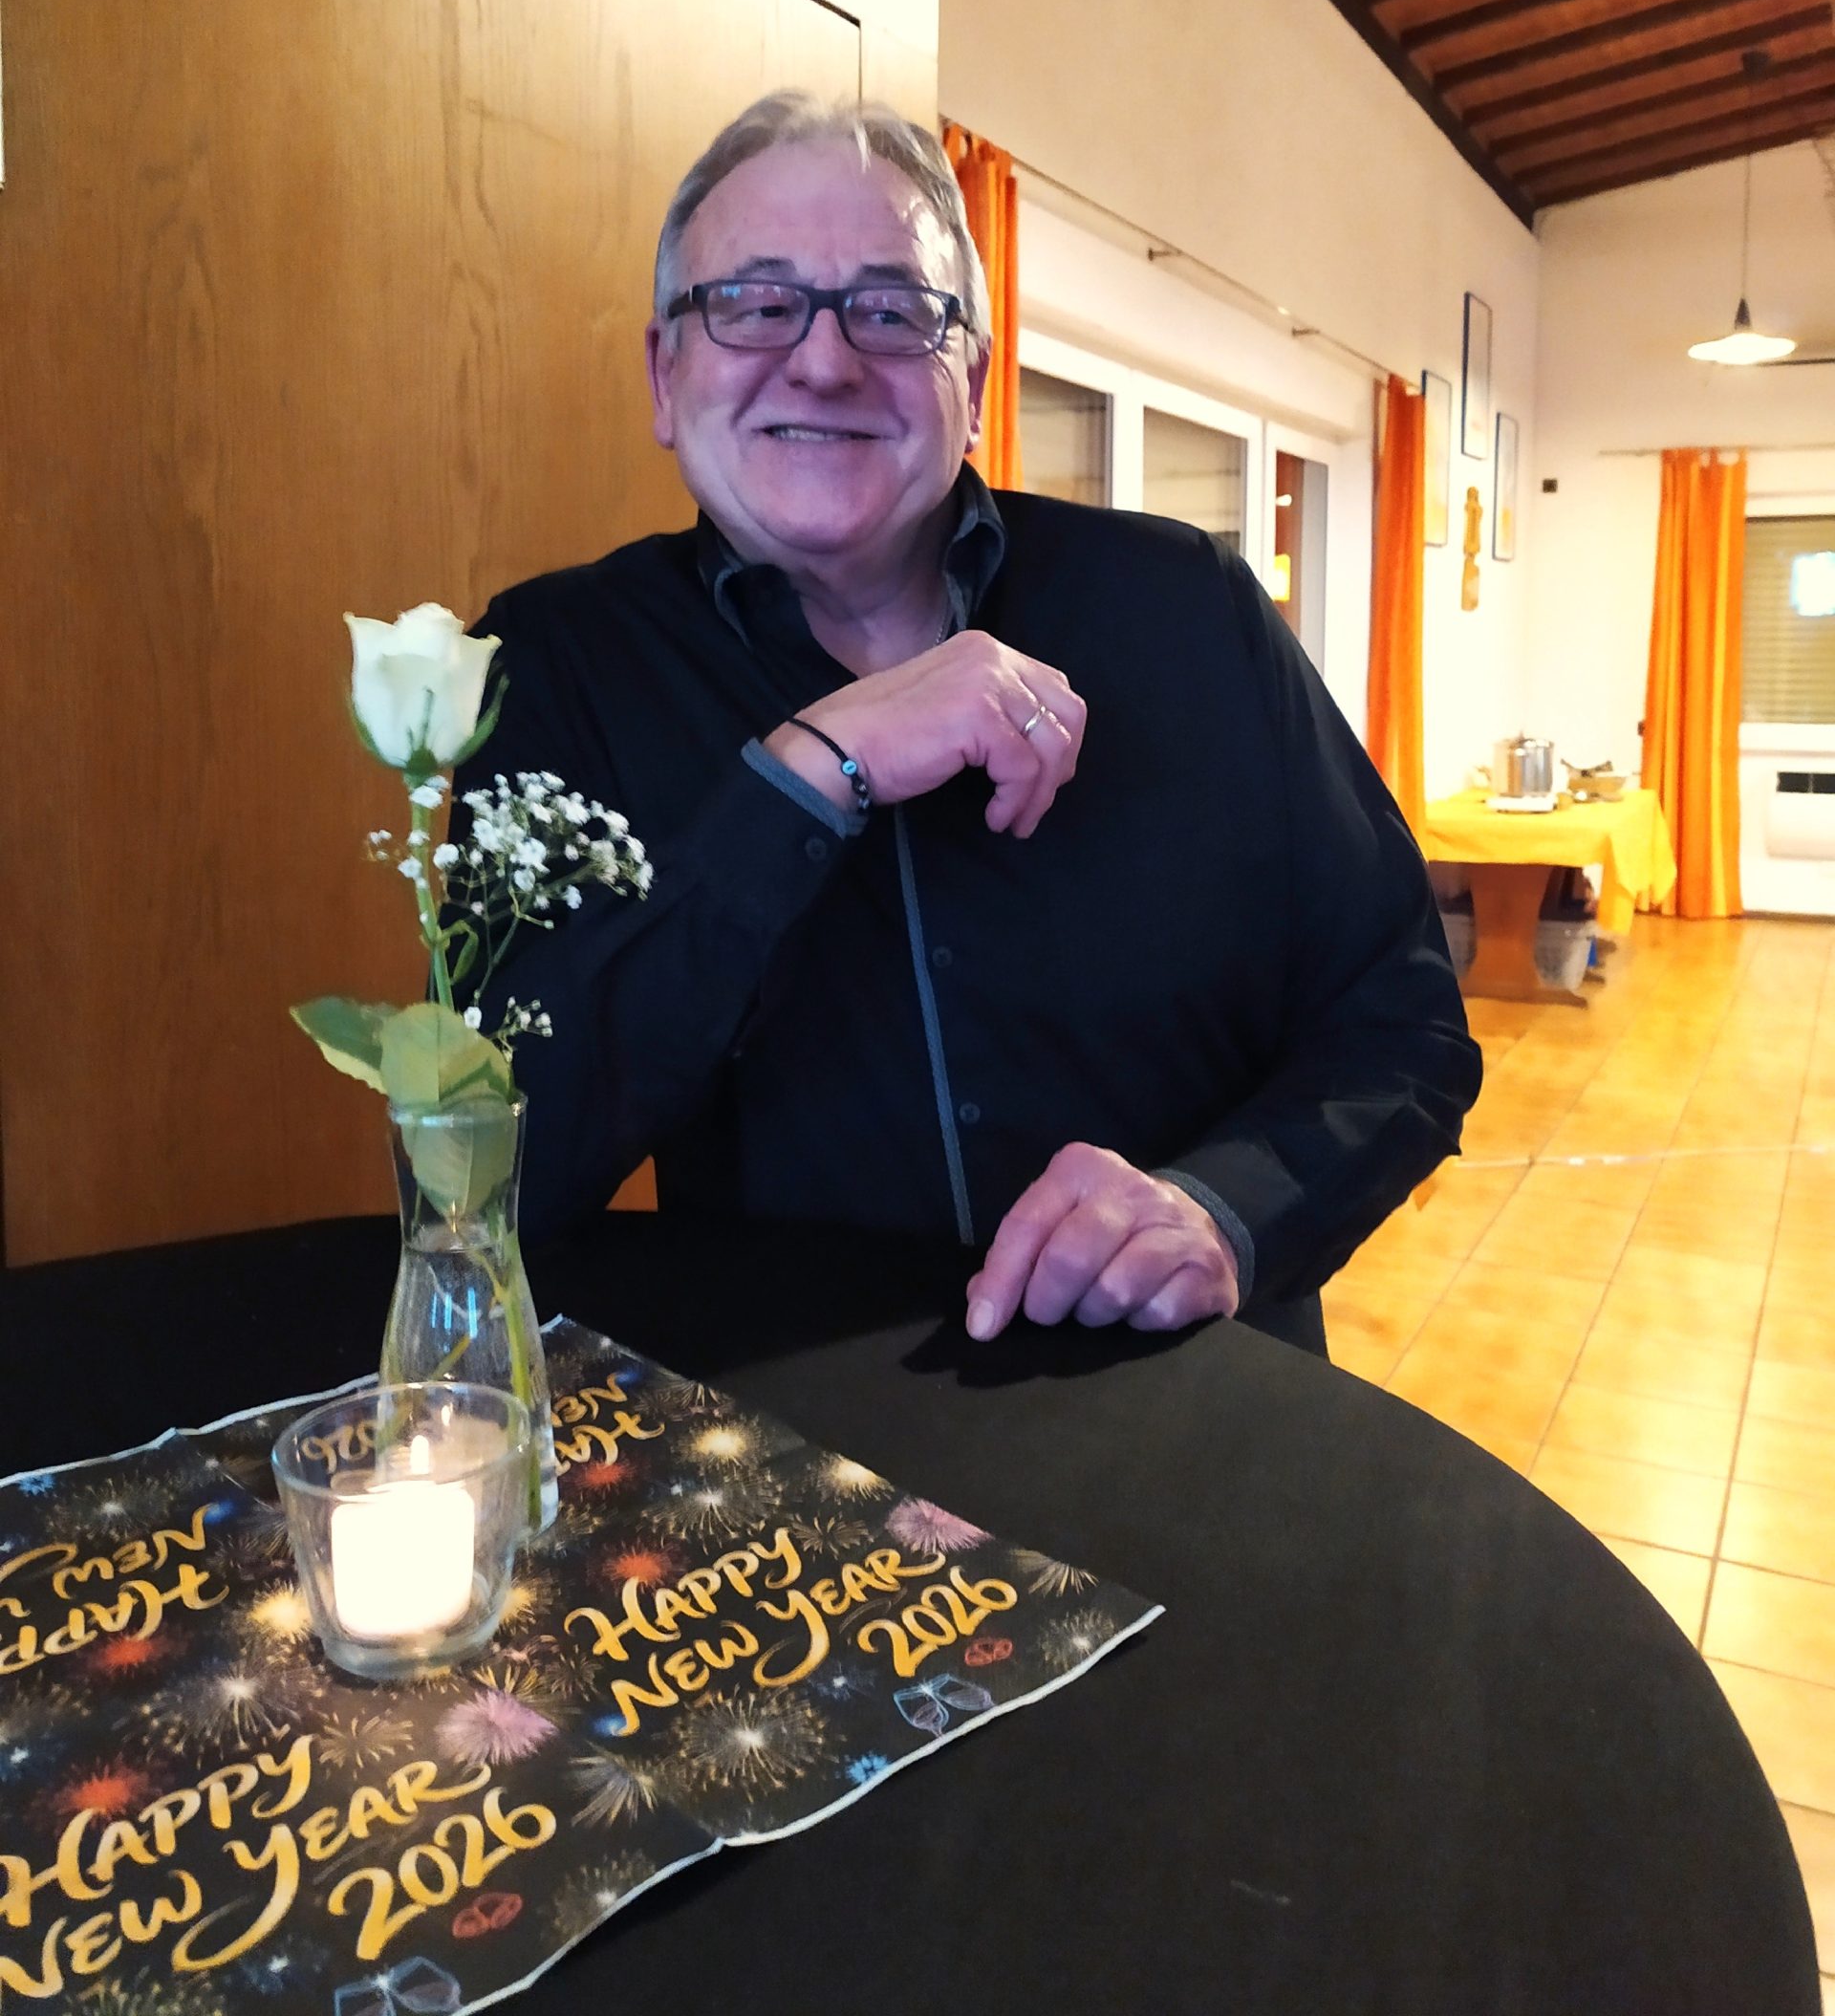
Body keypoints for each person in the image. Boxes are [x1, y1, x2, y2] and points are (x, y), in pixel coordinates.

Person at [459, 93, 1480, 1355]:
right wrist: (809, 773)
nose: (824, 361)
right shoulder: (556, 662)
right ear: (666, 376)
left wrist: (1226, 1210)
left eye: (892, 310)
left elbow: (1402, 1025)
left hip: (1191, 1396)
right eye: (756, 304)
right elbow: (503, 1161)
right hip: (796, 1423)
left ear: (978, 381)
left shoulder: (1188, 610)